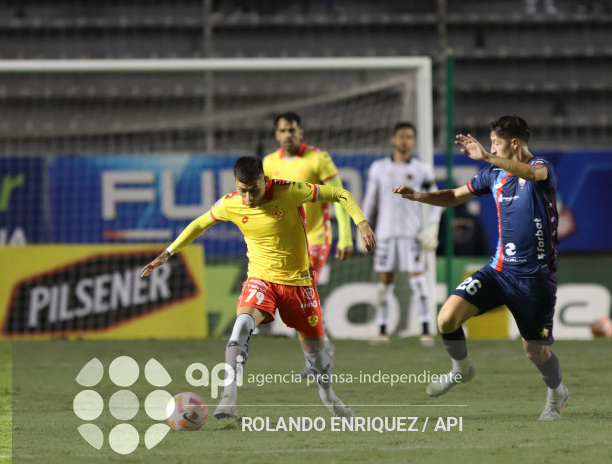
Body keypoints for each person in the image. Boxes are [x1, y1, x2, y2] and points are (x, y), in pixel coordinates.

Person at [141, 156, 376, 420]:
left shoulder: (289, 191)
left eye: (255, 189)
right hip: (261, 279)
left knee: (318, 357)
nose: (250, 197)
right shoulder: (230, 203)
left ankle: (328, 395)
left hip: (299, 283)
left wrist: (362, 223)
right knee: (241, 325)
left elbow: (340, 194)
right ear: (236, 184)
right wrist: (169, 252)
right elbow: (199, 223)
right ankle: (228, 397)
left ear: (265, 180)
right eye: (244, 190)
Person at [392, 114, 569, 421]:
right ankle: (460, 369)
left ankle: (557, 392)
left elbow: (532, 173)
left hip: (534, 280)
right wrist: (419, 197)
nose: (491, 149)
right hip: (498, 271)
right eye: (490, 144)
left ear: (514, 143)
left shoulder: (542, 168)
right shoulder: (493, 175)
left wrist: (487, 157)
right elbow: (454, 196)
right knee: (446, 318)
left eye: (495, 144)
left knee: (535, 352)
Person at [263, 111, 354, 377]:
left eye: (292, 130)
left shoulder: (319, 159)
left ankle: (317, 358)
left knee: (300, 293)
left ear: (300, 132)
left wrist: (345, 237)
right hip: (287, 242)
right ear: (276, 135)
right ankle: (323, 351)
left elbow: (340, 197)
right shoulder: (268, 163)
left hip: (315, 238)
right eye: (282, 131)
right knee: (296, 299)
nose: (287, 135)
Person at [360, 121, 441, 344]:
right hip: (385, 233)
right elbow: (370, 200)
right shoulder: (379, 168)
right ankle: (382, 330)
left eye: (409, 137)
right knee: (385, 283)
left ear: (413, 142)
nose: (405, 141)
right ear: (393, 140)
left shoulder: (422, 169)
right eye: (401, 136)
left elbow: (436, 198)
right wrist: (362, 226)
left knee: (418, 282)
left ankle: (426, 330)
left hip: (412, 233)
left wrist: (432, 227)